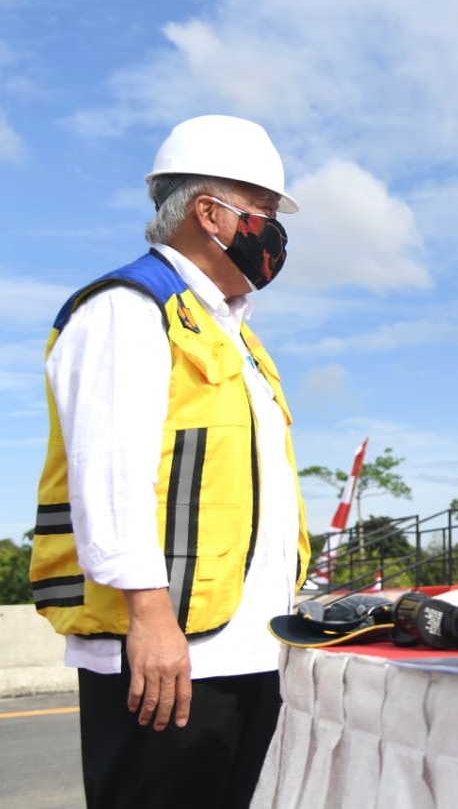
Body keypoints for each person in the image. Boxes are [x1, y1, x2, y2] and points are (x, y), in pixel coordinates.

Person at [29, 114, 310, 808]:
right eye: (265, 212)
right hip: (170, 648)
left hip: (249, 645)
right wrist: (150, 618)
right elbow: (110, 473)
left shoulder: (232, 332)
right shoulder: (129, 307)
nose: (273, 231)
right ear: (211, 214)